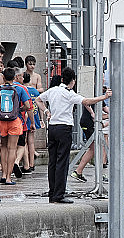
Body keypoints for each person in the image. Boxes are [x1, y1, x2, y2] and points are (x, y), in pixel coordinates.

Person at [35, 67, 111, 202]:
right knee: (62, 162)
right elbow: (87, 101)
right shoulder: (69, 93)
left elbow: (38, 100)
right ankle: (59, 194)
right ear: (73, 81)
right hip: (64, 129)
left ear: (62, 79)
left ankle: (52, 193)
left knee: (52, 161)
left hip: (52, 128)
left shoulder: (52, 90)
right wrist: (104, 97)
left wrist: (47, 111)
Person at [1, 67, 32, 185]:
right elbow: (28, 105)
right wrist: (19, 109)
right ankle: (9, 178)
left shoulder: (0, 89)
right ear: (14, 77)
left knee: (3, 147)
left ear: (3, 77)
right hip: (15, 121)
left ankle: (3, 174)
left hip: (1, 121)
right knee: (12, 148)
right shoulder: (20, 89)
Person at [22, 72, 41, 173]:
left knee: (23, 142)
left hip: (25, 116)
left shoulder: (22, 89)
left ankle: (26, 164)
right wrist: (41, 119)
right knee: (31, 141)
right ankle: (32, 164)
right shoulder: (35, 91)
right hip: (34, 115)